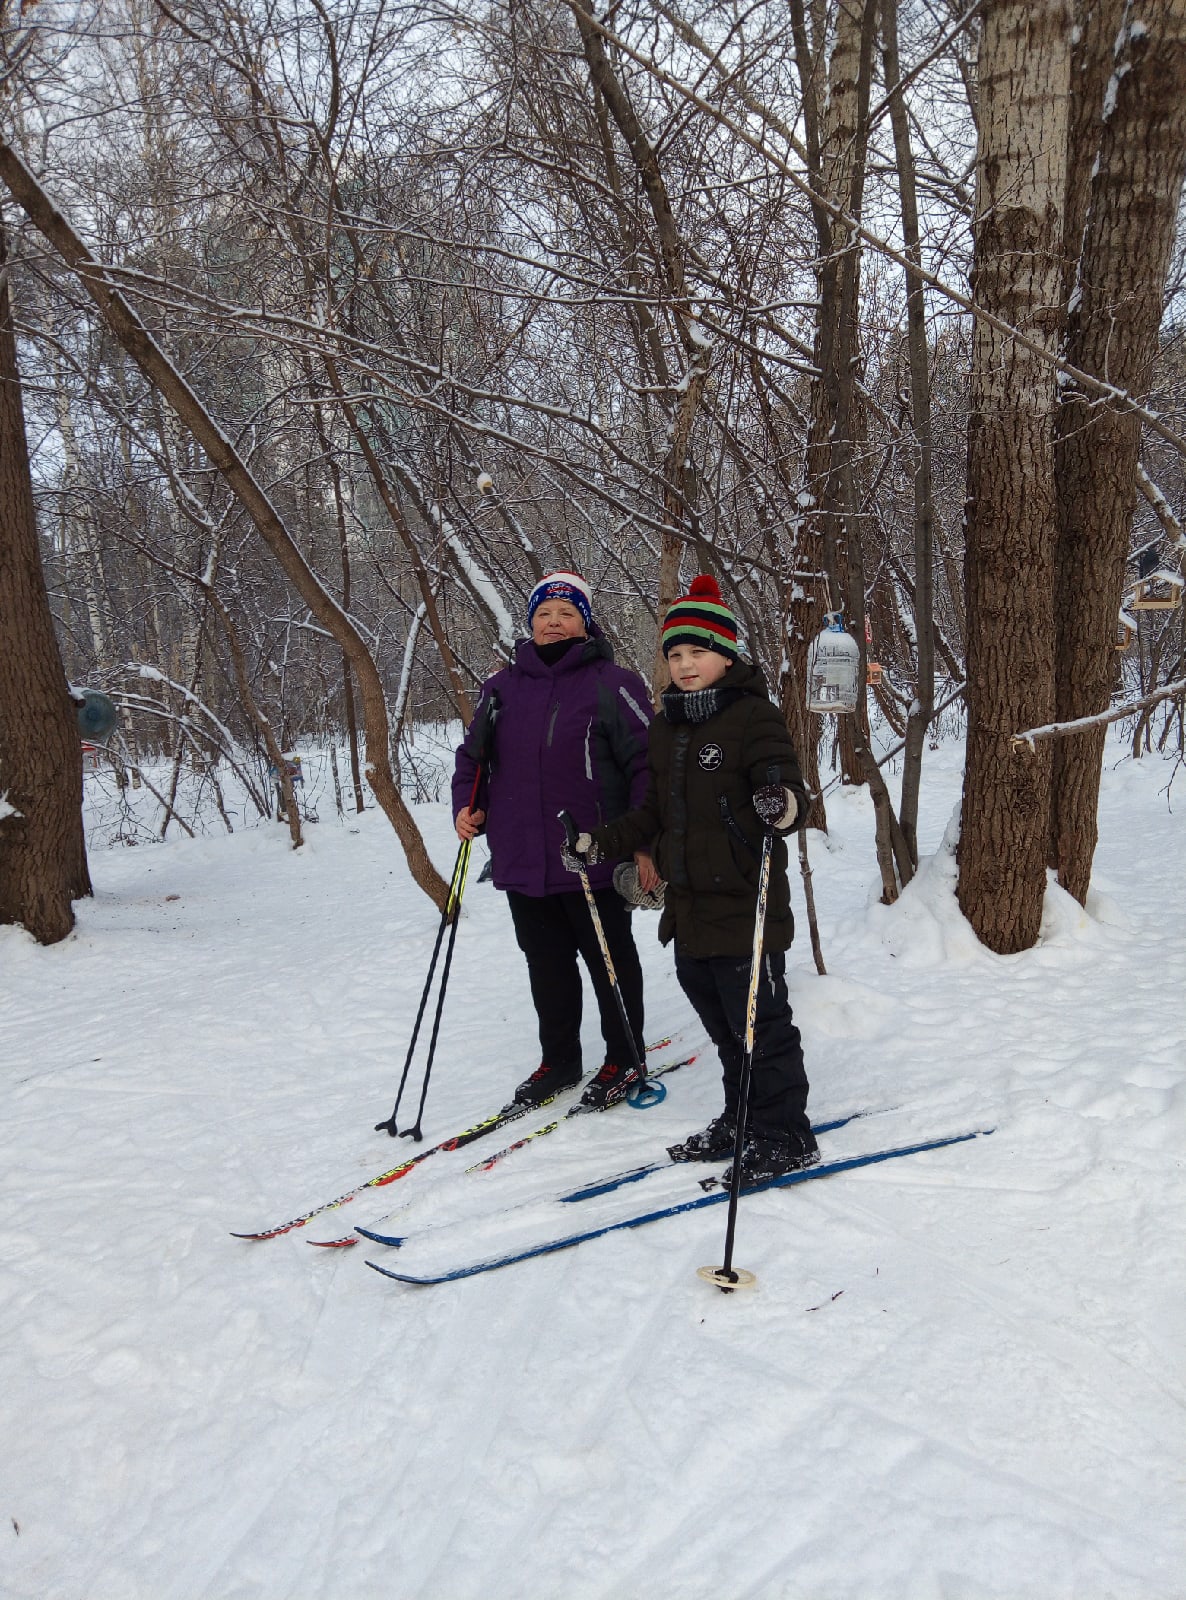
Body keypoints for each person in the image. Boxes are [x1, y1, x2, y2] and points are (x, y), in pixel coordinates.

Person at [565, 574, 818, 1184]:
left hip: (745, 902)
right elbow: (654, 813)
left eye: (697, 652)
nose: (684, 664)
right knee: (724, 1028)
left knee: (761, 1028)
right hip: (690, 909)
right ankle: (740, 1117)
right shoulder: (666, 726)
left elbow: (792, 796)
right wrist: (600, 842)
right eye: (674, 655)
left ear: (725, 655)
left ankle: (785, 1134)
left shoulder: (754, 715)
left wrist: (778, 804)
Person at [453, 571, 655, 1112]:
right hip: (523, 856)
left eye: (567, 613)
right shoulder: (500, 689)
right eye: (544, 614)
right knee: (546, 964)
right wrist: (466, 809)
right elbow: (472, 759)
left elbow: (647, 765)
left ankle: (625, 1056)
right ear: (531, 623)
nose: (554, 622)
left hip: (593, 854)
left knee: (609, 960)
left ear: (584, 623)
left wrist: (642, 839)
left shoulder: (615, 684)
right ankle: (560, 1059)